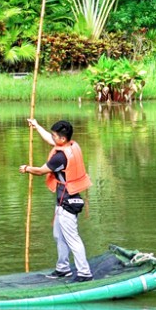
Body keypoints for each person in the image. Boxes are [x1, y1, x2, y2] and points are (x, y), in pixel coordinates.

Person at [19, 118, 92, 280]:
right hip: (64, 200)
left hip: (67, 202)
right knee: (59, 235)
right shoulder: (72, 146)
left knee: (72, 238)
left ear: (62, 139)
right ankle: (63, 268)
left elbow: (40, 171)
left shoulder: (60, 158)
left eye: (54, 136)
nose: (52, 138)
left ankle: (84, 273)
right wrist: (37, 126)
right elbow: (50, 140)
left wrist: (26, 168)